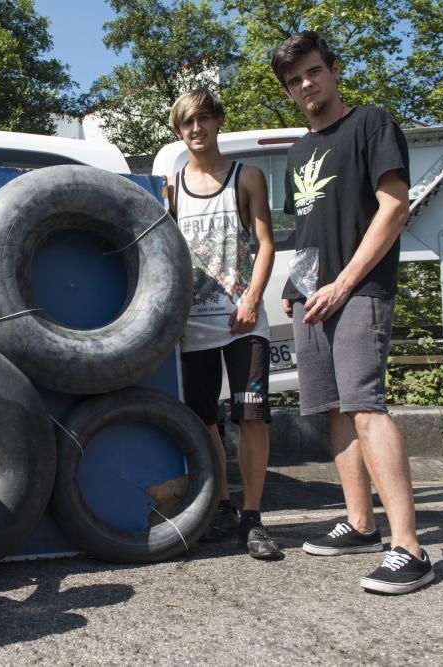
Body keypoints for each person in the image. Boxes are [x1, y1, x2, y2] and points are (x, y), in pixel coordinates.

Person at [271, 31, 434, 593]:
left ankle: (410, 548)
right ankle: (361, 522)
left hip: (359, 291)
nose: (305, 85)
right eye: (294, 81)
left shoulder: (371, 124)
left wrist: (343, 283)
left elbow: (393, 209)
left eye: (313, 72)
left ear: (334, 70)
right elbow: (311, 228)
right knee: (333, 411)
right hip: (314, 297)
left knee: (365, 406)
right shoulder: (296, 152)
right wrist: (297, 284)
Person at [166, 89, 282, 560]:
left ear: (218, 121)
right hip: (192, 326)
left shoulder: (246, 176)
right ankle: (222, 506)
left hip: (242, 322)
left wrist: (252, 299)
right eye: (187, 124)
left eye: (204, 120)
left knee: (250, 415)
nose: (197, 129)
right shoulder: (170, 186)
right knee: (204, 420)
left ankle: (253, 518)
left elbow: (267, 244)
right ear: (178, 131)